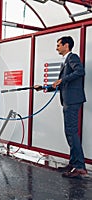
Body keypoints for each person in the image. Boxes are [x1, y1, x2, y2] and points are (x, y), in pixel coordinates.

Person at [34, 36, 87, 179]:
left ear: (66, 45)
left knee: (71, 132)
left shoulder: (72, 57)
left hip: (72, 100)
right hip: (69, 100)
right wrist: (44, 88)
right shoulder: (65, 61)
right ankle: (73, 163)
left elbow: (80, 72)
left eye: (59, 45)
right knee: (69, 132)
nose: (57, 47)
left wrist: (63, 79)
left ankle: (80, 167)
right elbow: (61, 84)